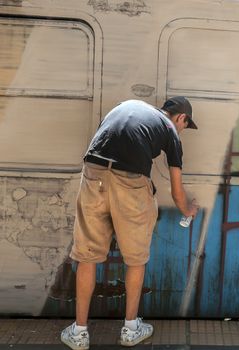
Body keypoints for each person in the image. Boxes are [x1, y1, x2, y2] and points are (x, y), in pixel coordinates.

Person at [61, 97, 199, 349]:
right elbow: (177, 192)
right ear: (181, 118)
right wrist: (189, 208)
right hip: (131, 183)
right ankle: (131, 329)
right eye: (185, 126)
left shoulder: (127, 106)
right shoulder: (170, 130)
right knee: (136, 258)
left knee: (87, 255)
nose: (182, 131)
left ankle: (79, 333)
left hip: (94, 174)